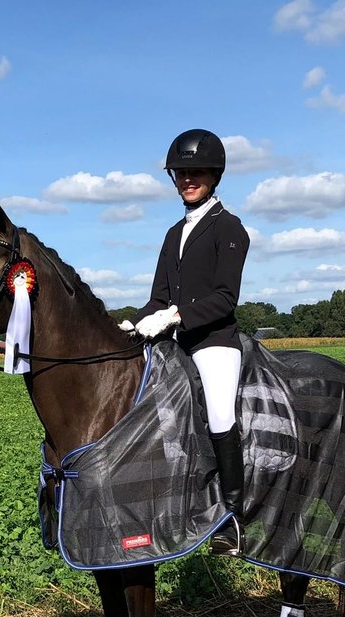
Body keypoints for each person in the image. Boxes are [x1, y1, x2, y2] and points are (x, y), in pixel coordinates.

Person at [119, 129, 251, 556]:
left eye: (195, 172)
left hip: (214, 341)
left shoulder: (229, 228)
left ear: (214, 174)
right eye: (180, 172)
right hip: (176, 344)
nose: (187, 179)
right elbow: (158, 298)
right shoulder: (173, 232)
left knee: (217, 413)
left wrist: (175, 316)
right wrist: (129, 323)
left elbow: (224, 298)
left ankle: (232, 518)